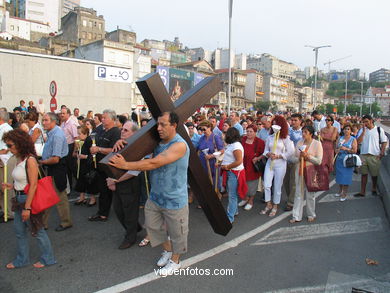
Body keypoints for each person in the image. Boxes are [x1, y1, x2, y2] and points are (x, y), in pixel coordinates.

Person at [109, 111, 190, 275]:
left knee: (178, 233)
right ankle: (167, 251)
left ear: (174, 126)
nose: (159, 128)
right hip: (155, 197)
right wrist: (122, 142)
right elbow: (137, 147)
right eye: (158, 124)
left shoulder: (179, 145)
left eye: (163, 125)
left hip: (174, 199)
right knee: (153, 229)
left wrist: (125, 165)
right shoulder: (157, 142)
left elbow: (154, 162)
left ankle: (176, 261)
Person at [2, 129, 56, 269]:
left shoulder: (30, 160)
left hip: (27, 200)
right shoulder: (19, 159)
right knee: (20, 232)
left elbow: (33, 186)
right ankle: (22, 259)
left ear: (20, 144)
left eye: (10, 145)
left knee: (37, 231)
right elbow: (23, 181)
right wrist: (11, 185)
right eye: (7, 145)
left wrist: (27, 207)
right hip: (19, 198)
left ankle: (48, 258)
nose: (8, 148)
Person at [106, 121, 142, 249]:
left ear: (134, 133)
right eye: (122, 129)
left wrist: (116, 180)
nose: (122, 131)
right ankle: (135, 228)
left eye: (126, 130)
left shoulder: (138, 146)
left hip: (130, 183)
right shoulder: (120, 143)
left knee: (129, 212)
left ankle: (130, 237)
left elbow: (135, 171)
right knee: (118, 210)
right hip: (118, 181)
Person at [40, 113, 72, 231]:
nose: (44, 122)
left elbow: (55, 158)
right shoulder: (51, 133)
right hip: (51, 167)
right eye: (43, 120)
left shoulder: (57, 135)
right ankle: (42, 222)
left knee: (60, 196)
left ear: (53, 121)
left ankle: (66, 222)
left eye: (46, 120)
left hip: (57, 168)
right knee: (47, 196)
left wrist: (41, 163)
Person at [88, 110, 121, 222]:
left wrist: (99, 149)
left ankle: (103, 214)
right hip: (100, 166)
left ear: (112, 119)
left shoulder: (115, 132)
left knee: (107, 191)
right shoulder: (102, 131)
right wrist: (94, 149)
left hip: (109, 167)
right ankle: (102, 212)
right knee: (103, 191)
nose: (102, 119)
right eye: (102, 117)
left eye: (104, 118)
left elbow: (115, 150)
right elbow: (98, 147)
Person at [261, 115, 294, 217]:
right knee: (266, 184)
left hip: (280, 164)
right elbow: (265, 150)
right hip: (270, 163)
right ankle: (268, 203)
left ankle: (275, 206)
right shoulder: (270, 137)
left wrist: (280, 156)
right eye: (273, 124)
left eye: (276, 124)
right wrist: (268, 154)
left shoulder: (285, 138)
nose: (274, 125)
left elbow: (291, 151)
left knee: (277, 186)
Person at [289, 125, 323, 223]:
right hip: (299, 171)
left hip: (311, 171)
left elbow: (319, 161)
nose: (303, 134)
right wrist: (299, 158)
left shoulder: (317, 144)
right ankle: (296, 216)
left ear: (311, 134)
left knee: (310, 194)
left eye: (306, 132)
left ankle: (311, 214)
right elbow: (293, 158)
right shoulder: (299, 142)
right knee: (298, 193)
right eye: (302, 132)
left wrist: (308, 157)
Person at [355, 115, 388, 197]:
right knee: (364, 174)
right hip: (363, 155)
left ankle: (374, 188)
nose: (365, 123)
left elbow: (384, 141)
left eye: (366, 121)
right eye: (363, 122)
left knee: (374, 174)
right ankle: (362, 191)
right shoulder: (362, 130)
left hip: (374, 155)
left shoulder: (378, 129)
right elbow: (357, 142)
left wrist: (382, 152)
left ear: (371, 121)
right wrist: (362, 132)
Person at [221, 127, 246, 223]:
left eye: (227, 134)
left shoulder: (236, 146)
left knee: (232, 195)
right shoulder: (232, 145)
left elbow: (239, 161)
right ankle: (234, 211)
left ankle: (230, 217)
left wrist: (227, 167)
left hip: (234, 172)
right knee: (232, 194)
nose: (225, 135)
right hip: (230, 172)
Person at [238, 124, 264, 210]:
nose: (248, 133)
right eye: (247, 131)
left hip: (253, 166)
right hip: (243, 165)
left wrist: (258, 158)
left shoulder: (260, 142)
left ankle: (251, 200)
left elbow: (264, 154)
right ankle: (245, 198)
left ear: (255, 132)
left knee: (252, 185)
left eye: (251, 131)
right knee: (242, 183)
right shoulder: (243, 139)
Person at [73, 126, 99, 206]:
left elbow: (94, 154)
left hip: (88, 164)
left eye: (79, 134)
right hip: (81, 164)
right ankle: (82, 197)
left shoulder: (89, 140)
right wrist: (76, 149)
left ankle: (92, 199)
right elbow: (74, 154)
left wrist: (85, 156)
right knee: (81, 180)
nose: (78, 136)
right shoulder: (80, 141)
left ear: (85, 133)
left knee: (90, 181)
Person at [196, 120, 224, 190]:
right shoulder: (202, 138)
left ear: (209, 128)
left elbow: (222, 150)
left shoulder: (215, 137)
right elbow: (198, 149)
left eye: (204, 129)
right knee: (205, 182)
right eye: (201, 129)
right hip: (203, 163)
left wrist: (211, 156)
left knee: (214, 182)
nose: (203, 131)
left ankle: (216, 196)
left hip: (213, 164)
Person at [284, 113, 303, 211]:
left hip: (297, 159)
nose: (293, 122)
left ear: (300, 121)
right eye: (292, 120)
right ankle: (289, 197)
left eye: (295, 120)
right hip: (286, 158)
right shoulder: (288, 131)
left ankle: (291, 202)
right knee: (286, 181)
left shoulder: (303, 132)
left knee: (294, 181)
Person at [335, 124, 358, 201]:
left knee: (346, 176)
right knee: (339, 175)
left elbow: (354, 151)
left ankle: (344, 193)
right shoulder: (340, 138)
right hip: (339, 159)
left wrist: (346, 149)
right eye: (345, 129)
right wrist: (337, 150)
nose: (346, 130)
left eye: (348, 129)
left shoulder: (353, 139)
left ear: (351, 131)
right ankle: (340, 190)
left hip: (348, 160)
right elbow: (336, 148)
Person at [0, 110, 15, 222]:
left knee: (6, 187)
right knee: (2, 188)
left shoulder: (6, 129)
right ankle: (5, 210)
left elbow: (6, 149)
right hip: (3, 161)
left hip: (6, 162)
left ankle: (10, 212)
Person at [60, 108, 78, 192]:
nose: (62, 115)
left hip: (71, 147)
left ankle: (79, 186)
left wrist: (74, 151)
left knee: (73, 168)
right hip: (64, 147)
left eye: (63, 113)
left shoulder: (72, 124)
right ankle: (69, 187)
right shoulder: (63, 123)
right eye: (61, 113)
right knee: (67, 169)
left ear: (68, 114)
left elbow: (76, 138)